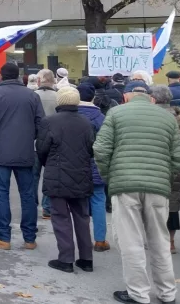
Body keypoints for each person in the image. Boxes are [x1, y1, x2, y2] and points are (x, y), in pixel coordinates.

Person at [93, 80, 180, 304]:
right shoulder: (168, 118)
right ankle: (167, 293)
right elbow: (178, 159)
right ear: (150, 97)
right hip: (158, 187)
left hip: (125, 185)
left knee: (130, 241)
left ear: (126, 96)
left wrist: (110, 177)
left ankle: (138, 293)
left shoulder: (115, 114)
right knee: (160, 241)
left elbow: (101, 150)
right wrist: (164, 177)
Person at [0, 62, 45, 251]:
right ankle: (29, 238)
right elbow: (41, 124)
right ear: (18, 76)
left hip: (0, 151)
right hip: (25, 151)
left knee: (1, 194)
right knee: (28, 195)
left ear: (1, 76)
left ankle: (3, 236)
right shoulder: (32, 95)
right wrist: (29, 137)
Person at [37, 87, 95, 274]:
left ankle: (66, 258)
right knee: (82, 217)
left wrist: (49, 164)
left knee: (61, 217)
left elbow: (42, 149)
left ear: (59, 101)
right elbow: (91, 149)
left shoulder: (49, 121)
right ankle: (86, 259)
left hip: (57, 174)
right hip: (82, 174)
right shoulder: (86, 122)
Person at [151, 85, 180, 254]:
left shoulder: (150, 116)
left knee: (153, 202)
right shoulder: (178, 117)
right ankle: (170, 241)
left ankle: (155, 238)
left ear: (152, 98)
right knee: (173, 203)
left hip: (155, 163)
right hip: (174, 164)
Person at [75, 83, 110, 252]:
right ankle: (100, 240)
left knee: (78, 204)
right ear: (93, 97)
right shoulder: (101, 118)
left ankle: (82, 240)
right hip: (96, 164)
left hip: (75, 165)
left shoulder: (71, 116)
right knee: (98, 200)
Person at [34, 69, 58, 219]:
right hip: (54, 142)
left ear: (39, 80)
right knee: (50, 176)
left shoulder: (33, 96)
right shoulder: (58, 97)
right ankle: (47, 207)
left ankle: (31, 204)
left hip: (35, 141)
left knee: (33, 175)